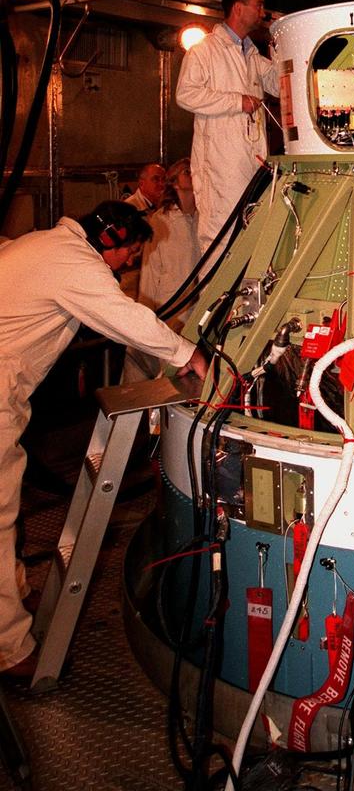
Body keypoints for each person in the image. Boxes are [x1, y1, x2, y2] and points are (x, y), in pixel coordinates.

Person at [0, 200, 208, 680]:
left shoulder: (52, 244)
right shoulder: (73, 262)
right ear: (110, 238)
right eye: (131, 250)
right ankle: (10, 649)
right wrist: (187, 353)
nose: (132, 261)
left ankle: (13, 589)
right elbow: (122, 316)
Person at [176, 0, 279, 255]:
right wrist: (237, 101)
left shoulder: (252, 55)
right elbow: (186, 94)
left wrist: (283, 46)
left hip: (251, 159)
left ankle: (244, 296)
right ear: (238, 8)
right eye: (258, 5)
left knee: (251, 233)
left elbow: (281, 84)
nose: (262, 12)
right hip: (219, 162)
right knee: (219, 237)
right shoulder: (204, 50)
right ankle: (215, 297)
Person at [124, 159, 202, 383]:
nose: (193, 174)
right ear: (175, 183)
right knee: (168, 374)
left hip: (195, 308)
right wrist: (145, 317)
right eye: (187, 171)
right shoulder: (160, 222)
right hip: (171, 309)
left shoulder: (201, 220)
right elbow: (150, 271)